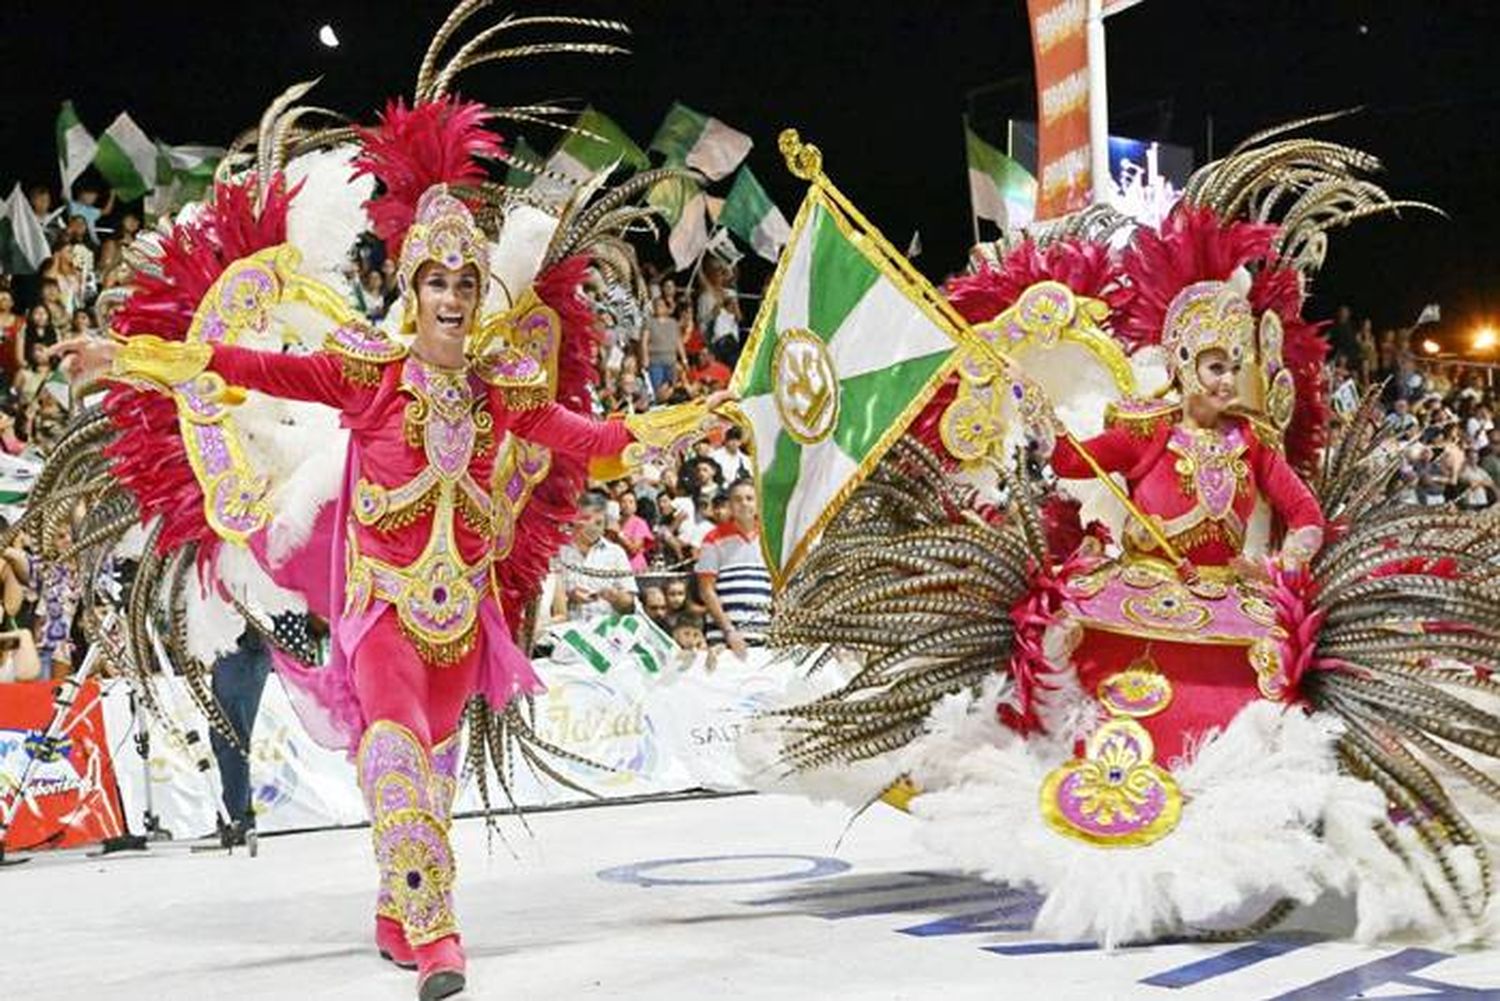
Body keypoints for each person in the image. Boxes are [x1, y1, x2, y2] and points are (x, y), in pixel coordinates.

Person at [57, 183, 732, 1000]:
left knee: (431, 791)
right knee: (396, 761)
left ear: (480, 296)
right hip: (381, 616)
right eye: (436, 282)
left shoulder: (503, 389)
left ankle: (393, 911)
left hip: (461, 628)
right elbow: (251, 364)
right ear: (411, 293)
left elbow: (589, 441)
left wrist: (687, 419)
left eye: (465, 283)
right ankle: (439, 938)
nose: (451, 297)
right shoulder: (368, 375)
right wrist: (129, 357)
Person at [209, 628, 272, 847]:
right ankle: (237, 816)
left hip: (241, 649)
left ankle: (237, 818)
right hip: (235, 649)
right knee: (226, 737)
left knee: (231, 737)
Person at [695, 479, 772, 656]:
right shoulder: (712, 538)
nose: (744, 503)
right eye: (737, 499)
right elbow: (706, 590)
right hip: (723, 637)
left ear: (758, 502)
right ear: (729, 504)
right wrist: (729, 631)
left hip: (763, 633)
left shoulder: (771, 538)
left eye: (749, 498)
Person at [553, 491, 638, 622]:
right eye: (587, 520)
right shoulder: (558, 550)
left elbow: (629, 603)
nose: (592, 527)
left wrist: (617, 597)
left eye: (599, 523)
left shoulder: (616, 553)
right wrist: (568, 597)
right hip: (566, 631)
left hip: (604, 632)